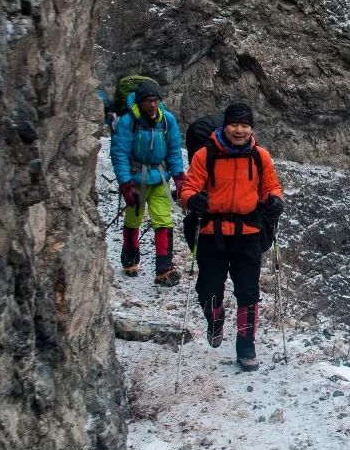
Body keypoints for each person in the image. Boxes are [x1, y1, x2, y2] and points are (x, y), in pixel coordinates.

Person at [181, 103, 284, 372]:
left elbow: (270, 187)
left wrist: (275, 202)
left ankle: (246, 346)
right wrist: (193, 200)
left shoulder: (260, 157)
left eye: (245, 125)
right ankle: (215, 319)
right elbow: (189, 186)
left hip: (248, 234)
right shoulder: (205, 156)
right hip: (211, 234)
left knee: (248, 294)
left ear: (251, 128)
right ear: (224, 126)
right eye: (235, 125)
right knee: (208, 288)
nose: (239, 130)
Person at [111, 80, 186, 285]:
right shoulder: (128, 122)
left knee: (163, 220)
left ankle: (164, 270)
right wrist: (125, 185)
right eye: (147, 101)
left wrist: (179, 178)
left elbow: (174, 150)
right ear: (139, 102)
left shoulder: (167, 120)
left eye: (155, 100)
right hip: (136, 180)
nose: (152, 105)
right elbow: (120, 153)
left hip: (160, 178)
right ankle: (130, 260)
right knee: (134, 219)